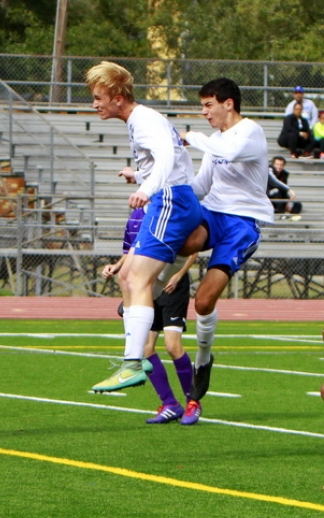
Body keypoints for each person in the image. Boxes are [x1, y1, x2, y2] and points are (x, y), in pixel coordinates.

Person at [85, 61, 202, 394]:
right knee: (127, 276)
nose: (95, 104)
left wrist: (146, 189)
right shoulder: (139, 120)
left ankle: (133, 363)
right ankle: (136, 359)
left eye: (98, 97)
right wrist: (138, 175)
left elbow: (167, 155)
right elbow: (171, 159)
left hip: (171, 202)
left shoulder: (144, 119)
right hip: (170, 198)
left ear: (118, 96)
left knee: (136, 278)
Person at [179, 77, 273, 425]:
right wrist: (160, 188)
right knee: (182, 237)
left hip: (241, 224)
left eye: (208, 105)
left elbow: (229, 153)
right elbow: (202, 185)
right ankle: (148, 291)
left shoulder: (251, 133)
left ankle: (203, 360)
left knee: (203, 302)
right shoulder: (215, 141)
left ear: (228, 104)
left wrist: (190, 137)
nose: (204, 113)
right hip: (214, 212)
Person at [102, 207, 197, 424]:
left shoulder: (170, 210)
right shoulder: (136, 217)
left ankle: (193, 402)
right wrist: (115, 267)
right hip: (146, 287)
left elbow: (192, 251)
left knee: (173, 347)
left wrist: (178, 275)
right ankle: (170, 404)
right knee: (145, 348)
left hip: (172, 286)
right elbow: (130, 253)